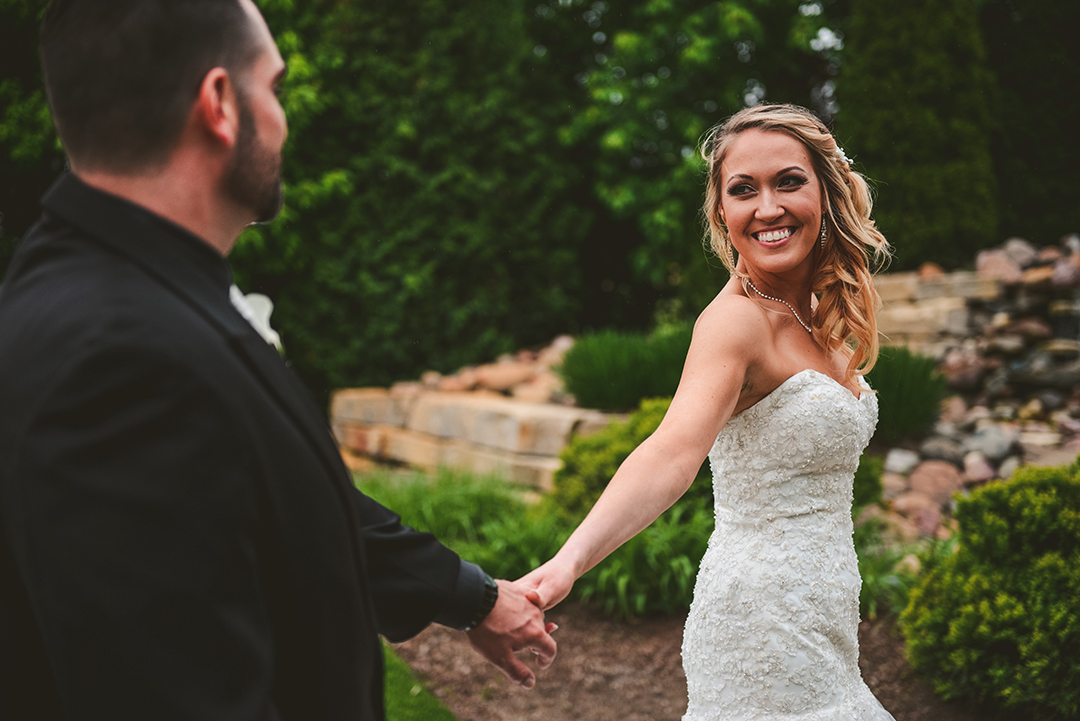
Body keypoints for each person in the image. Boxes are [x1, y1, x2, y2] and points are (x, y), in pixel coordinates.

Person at [0, 1, 555, 719]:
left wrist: (469, 595)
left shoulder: (124, 289)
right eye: (276, 86)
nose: (285, 118)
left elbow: (271, 495)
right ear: (221, 104)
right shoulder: (121, 358)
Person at [519, 104, 895, 720]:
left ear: (826, 193)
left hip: (824, 617)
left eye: (788, 181)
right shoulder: (735, 322)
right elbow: (671, 452)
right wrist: (570, 562)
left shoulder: (817, 318)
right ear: (722, 212)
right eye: (743, 190)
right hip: (762, 626)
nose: (767, 207)